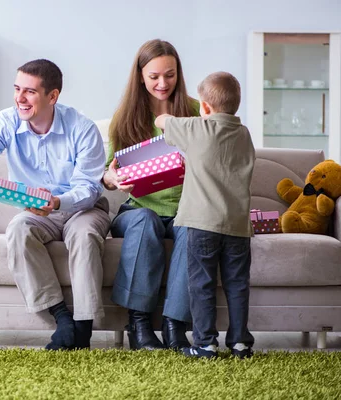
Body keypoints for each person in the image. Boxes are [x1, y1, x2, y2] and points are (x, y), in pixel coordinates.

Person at [0, 59, 110, 350]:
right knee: (18, 227)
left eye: (29, 91)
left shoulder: (82, 128)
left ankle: (84, 327)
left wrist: (57, 201)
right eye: (17, 89)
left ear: (52, 96)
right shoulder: (7, 121)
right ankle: (62, 318)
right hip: (35, 211)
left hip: (81, 208)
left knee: (85, 234)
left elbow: (89, 188)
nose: (20, 98)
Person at [102, 39, 199, 350]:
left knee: (194, 227)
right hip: (138, 209)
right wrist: (113, 177)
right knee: (144, 220)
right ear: (141, 76)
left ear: (178, 74)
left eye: (169, 75)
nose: (162, 83)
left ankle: (175, 326)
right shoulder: (126, 116)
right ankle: (139, 324)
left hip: (186, 208)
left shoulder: (196, 111)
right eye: (154, 76)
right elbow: (106, 173)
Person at [154, 71, 255, 359]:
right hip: (237, 226)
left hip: (201, 225)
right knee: (237, 285)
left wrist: (183, 119)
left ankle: (205, 343)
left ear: (205, 107)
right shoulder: (244, 133)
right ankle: (240, 343)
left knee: (202, 285)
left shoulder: (197, 129)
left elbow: (162, 122)